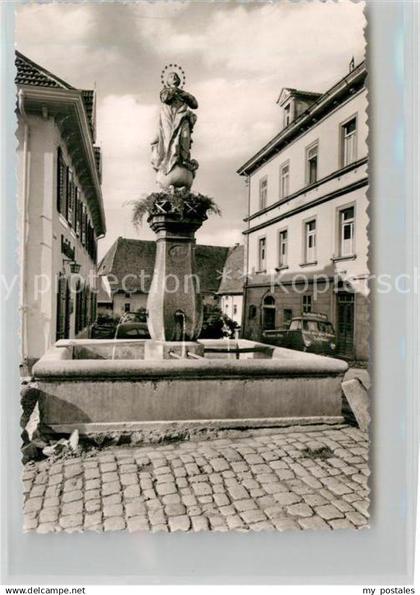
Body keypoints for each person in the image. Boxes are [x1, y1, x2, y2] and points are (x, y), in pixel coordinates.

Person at [151, 71, 199, 177]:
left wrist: (183, 94)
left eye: (176, 76)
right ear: (167, 81)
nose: (174, 77)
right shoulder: (165, 91)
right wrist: (173, 90)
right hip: (169, 119)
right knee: (170, 141)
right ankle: (169, 162)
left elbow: (195, 104)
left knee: (185, 137)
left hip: (182, 118)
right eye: (171, 76)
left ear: (179, 80)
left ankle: (184, 160)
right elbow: (165, 98)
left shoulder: (183, 94)